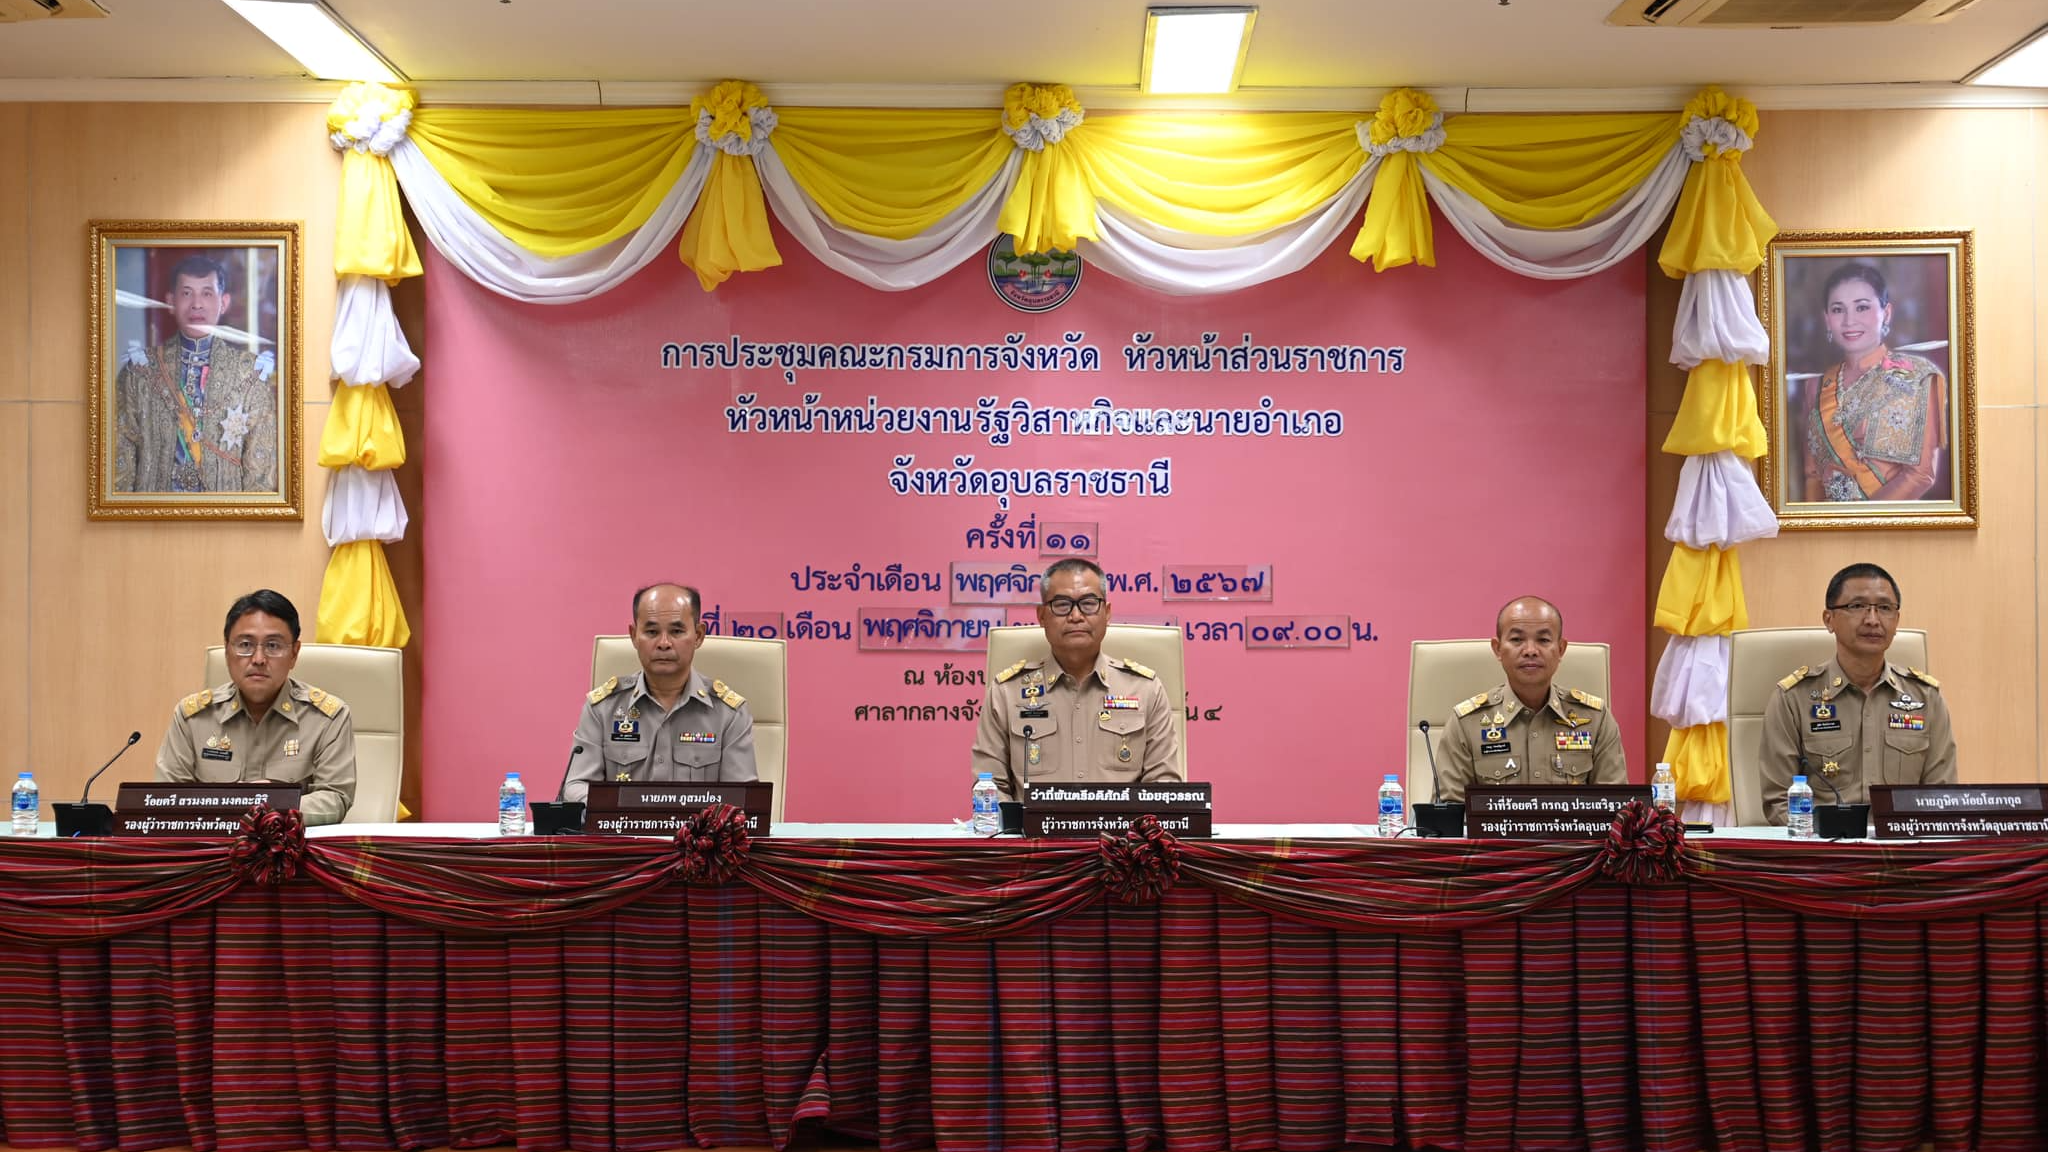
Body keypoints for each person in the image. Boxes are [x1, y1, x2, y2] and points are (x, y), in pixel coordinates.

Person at [971, 558, 1181, 801]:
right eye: (1062, 605)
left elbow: (1164, 789)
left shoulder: (1145, 689)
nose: (1076, 616)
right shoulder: (1006, 692)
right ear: (1041, 616)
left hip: (1121, 838)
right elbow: (990, 787)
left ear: (1107, 613)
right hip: (1034, 838)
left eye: (1089, 604)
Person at [1759, 563, 1954, 824]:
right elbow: (1779, 801)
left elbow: (1940, 800)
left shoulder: (1926, 699)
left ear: (1896, 621)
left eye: (1884, 608)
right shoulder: (1794, 699)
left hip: (1902, 855)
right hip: (1823, 853)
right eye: (1857, 606)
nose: (1872, 619)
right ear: (1829, 619)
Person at [155, 589, 356, 825]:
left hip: (291, 853)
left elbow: (336, 799)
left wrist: (273, 806)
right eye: (245, 644)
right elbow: (165, 800)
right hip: (214, 854)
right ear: (227, 651)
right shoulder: (192, 718)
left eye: (273, 646)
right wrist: (238, 806)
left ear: (294, 653)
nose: (258, 658)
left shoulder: (328, 718)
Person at [558, 583, 756, 803]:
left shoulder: (729, 714)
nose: (664, 643)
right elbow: (576, 786)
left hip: (699, 837)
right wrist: (628, 812)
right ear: (634, 636)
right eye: (651, 632)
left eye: (677, 631)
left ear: (699, 635)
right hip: (622, 834)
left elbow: (743, 799)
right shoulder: (603, 709)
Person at [1434, 596, 1627, 803]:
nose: (1530, 651)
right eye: (1517, 640)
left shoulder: (1596, 719)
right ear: (1497, 649)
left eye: (1543, 640)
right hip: (1493, 836)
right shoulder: (1466, 723)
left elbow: (1614, 808)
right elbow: (1450, 816)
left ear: (1561, 649)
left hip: (1573, 837)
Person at [114, 254, 278, 494]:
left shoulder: (249, 376)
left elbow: (261, 475)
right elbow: (121, 465)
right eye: (187, 293)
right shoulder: (140, 372)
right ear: (171, 301)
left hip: (225, 520)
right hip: (153, 520)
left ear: (224, 302)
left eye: (207, 293)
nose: (197, 304)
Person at [1802, 262, 1947, 504]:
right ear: (1827, 319)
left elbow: (1920, 475)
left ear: (1886, 313)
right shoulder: (1815, 387)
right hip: (1828, 531)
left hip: (1889, 528)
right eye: (1838, 310)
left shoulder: (1917, 377)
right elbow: (1813, 476)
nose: (1849, 321)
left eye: (1862, 308)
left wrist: (1860, 523)